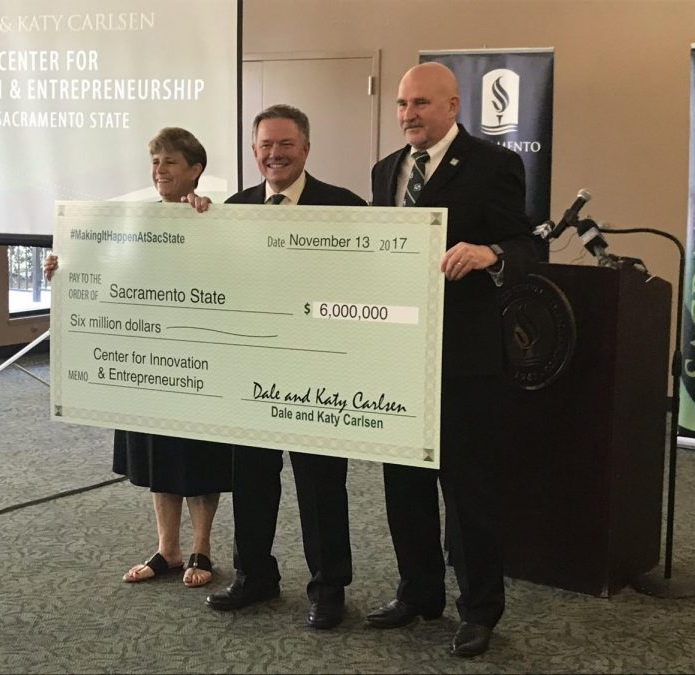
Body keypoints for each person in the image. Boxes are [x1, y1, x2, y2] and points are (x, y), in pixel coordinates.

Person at [364, 62, 536, 657]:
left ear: (453, 105)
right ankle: (419, 594)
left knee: (469, 491)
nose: (408, 114)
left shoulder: (494, 165)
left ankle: (479, 609)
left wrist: (490, 251)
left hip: (465, 358)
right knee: (403, 481)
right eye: (401, 104)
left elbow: (527, 244)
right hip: (399, 353)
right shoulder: (387, 170)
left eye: (420, 104)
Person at [196, 104, 366, 630]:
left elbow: (366, 283)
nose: (275, 154)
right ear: (254, 151)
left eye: (286, 145)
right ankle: (255, 576)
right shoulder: (233, 209)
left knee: (320, 483)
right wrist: (188, 223)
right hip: (251, 370)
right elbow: (206, 274)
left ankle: (329, 585)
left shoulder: (347, 206)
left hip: (318, 369)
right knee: (251, 477)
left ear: (306, 149)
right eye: (265, 145)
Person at [44, 127, 233, 588]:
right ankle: (167, 550)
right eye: (155, 162)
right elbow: (106, 269)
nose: (160, 171)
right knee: (158, 453)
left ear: (195, 170)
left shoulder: (219, 219)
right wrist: (63, 267)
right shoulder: (132, 220)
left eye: (170, 162)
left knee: (199, 454)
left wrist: (207, 221)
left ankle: (201, 550)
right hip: (144, 358)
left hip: (196, 358)